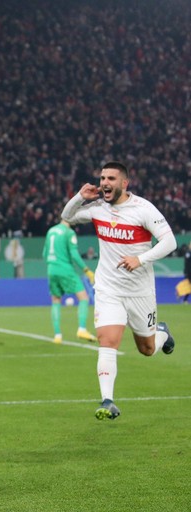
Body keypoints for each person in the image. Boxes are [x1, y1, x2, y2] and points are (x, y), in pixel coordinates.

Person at [61, 161, 176, 420]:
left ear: (125, 183)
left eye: (111, 178)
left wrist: (141, 259)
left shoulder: (143, 209)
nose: (104, 183)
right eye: (102, 178)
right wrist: (80, 196)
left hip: (140, 292)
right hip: (108, 288)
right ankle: (107, 401)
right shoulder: (98, 209)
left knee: (146, 349)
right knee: (107, 341)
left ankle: (162, 335)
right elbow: (67, 217)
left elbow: (170, 241)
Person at [42, 220, 97, 344]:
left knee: (56, 300)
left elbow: (44, 253)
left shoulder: (51, 231)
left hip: (51, 269)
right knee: (83, 298)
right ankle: (82, 329)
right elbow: (74, 255)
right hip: (65, 269)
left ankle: (57, 336)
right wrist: (86, 270)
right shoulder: (69, 232)